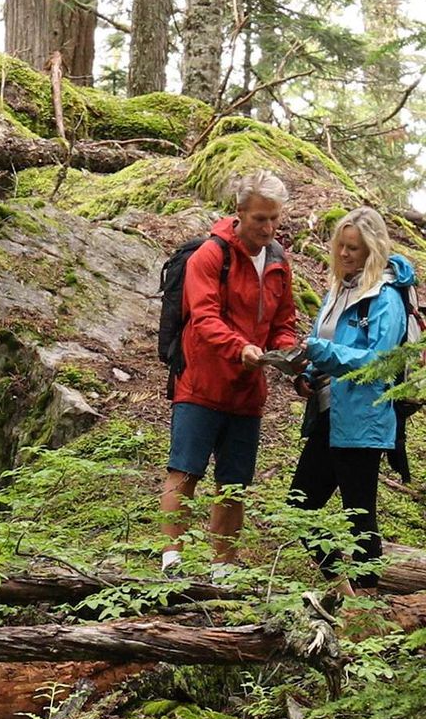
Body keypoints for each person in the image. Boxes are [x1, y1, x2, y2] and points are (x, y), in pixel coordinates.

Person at [160, 169, 298, 578]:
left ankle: (224, 565)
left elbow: (284, 318)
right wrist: (241, 348)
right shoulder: (211, 255)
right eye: (260, 219)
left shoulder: (278, 261)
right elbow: (203, 317)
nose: (269, 227)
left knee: (234, 481)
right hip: (201, 382)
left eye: (275, 218)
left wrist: (285, 348)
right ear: (239, 213)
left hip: (247, 392)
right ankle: (171, 558)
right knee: (185, 470)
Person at [289, 206, 414, 596]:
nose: (344, 254)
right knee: (299, 507)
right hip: (328, 414)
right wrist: (306, 376)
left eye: (354, 249)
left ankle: (368, 603)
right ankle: (343, 588)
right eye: (341, 246)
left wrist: (324, 353)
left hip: (364, 418)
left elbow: (380, 362)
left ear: (372, 251)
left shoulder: (386, 298)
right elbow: (322, 344)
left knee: (359, 515)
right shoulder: (337, 290)